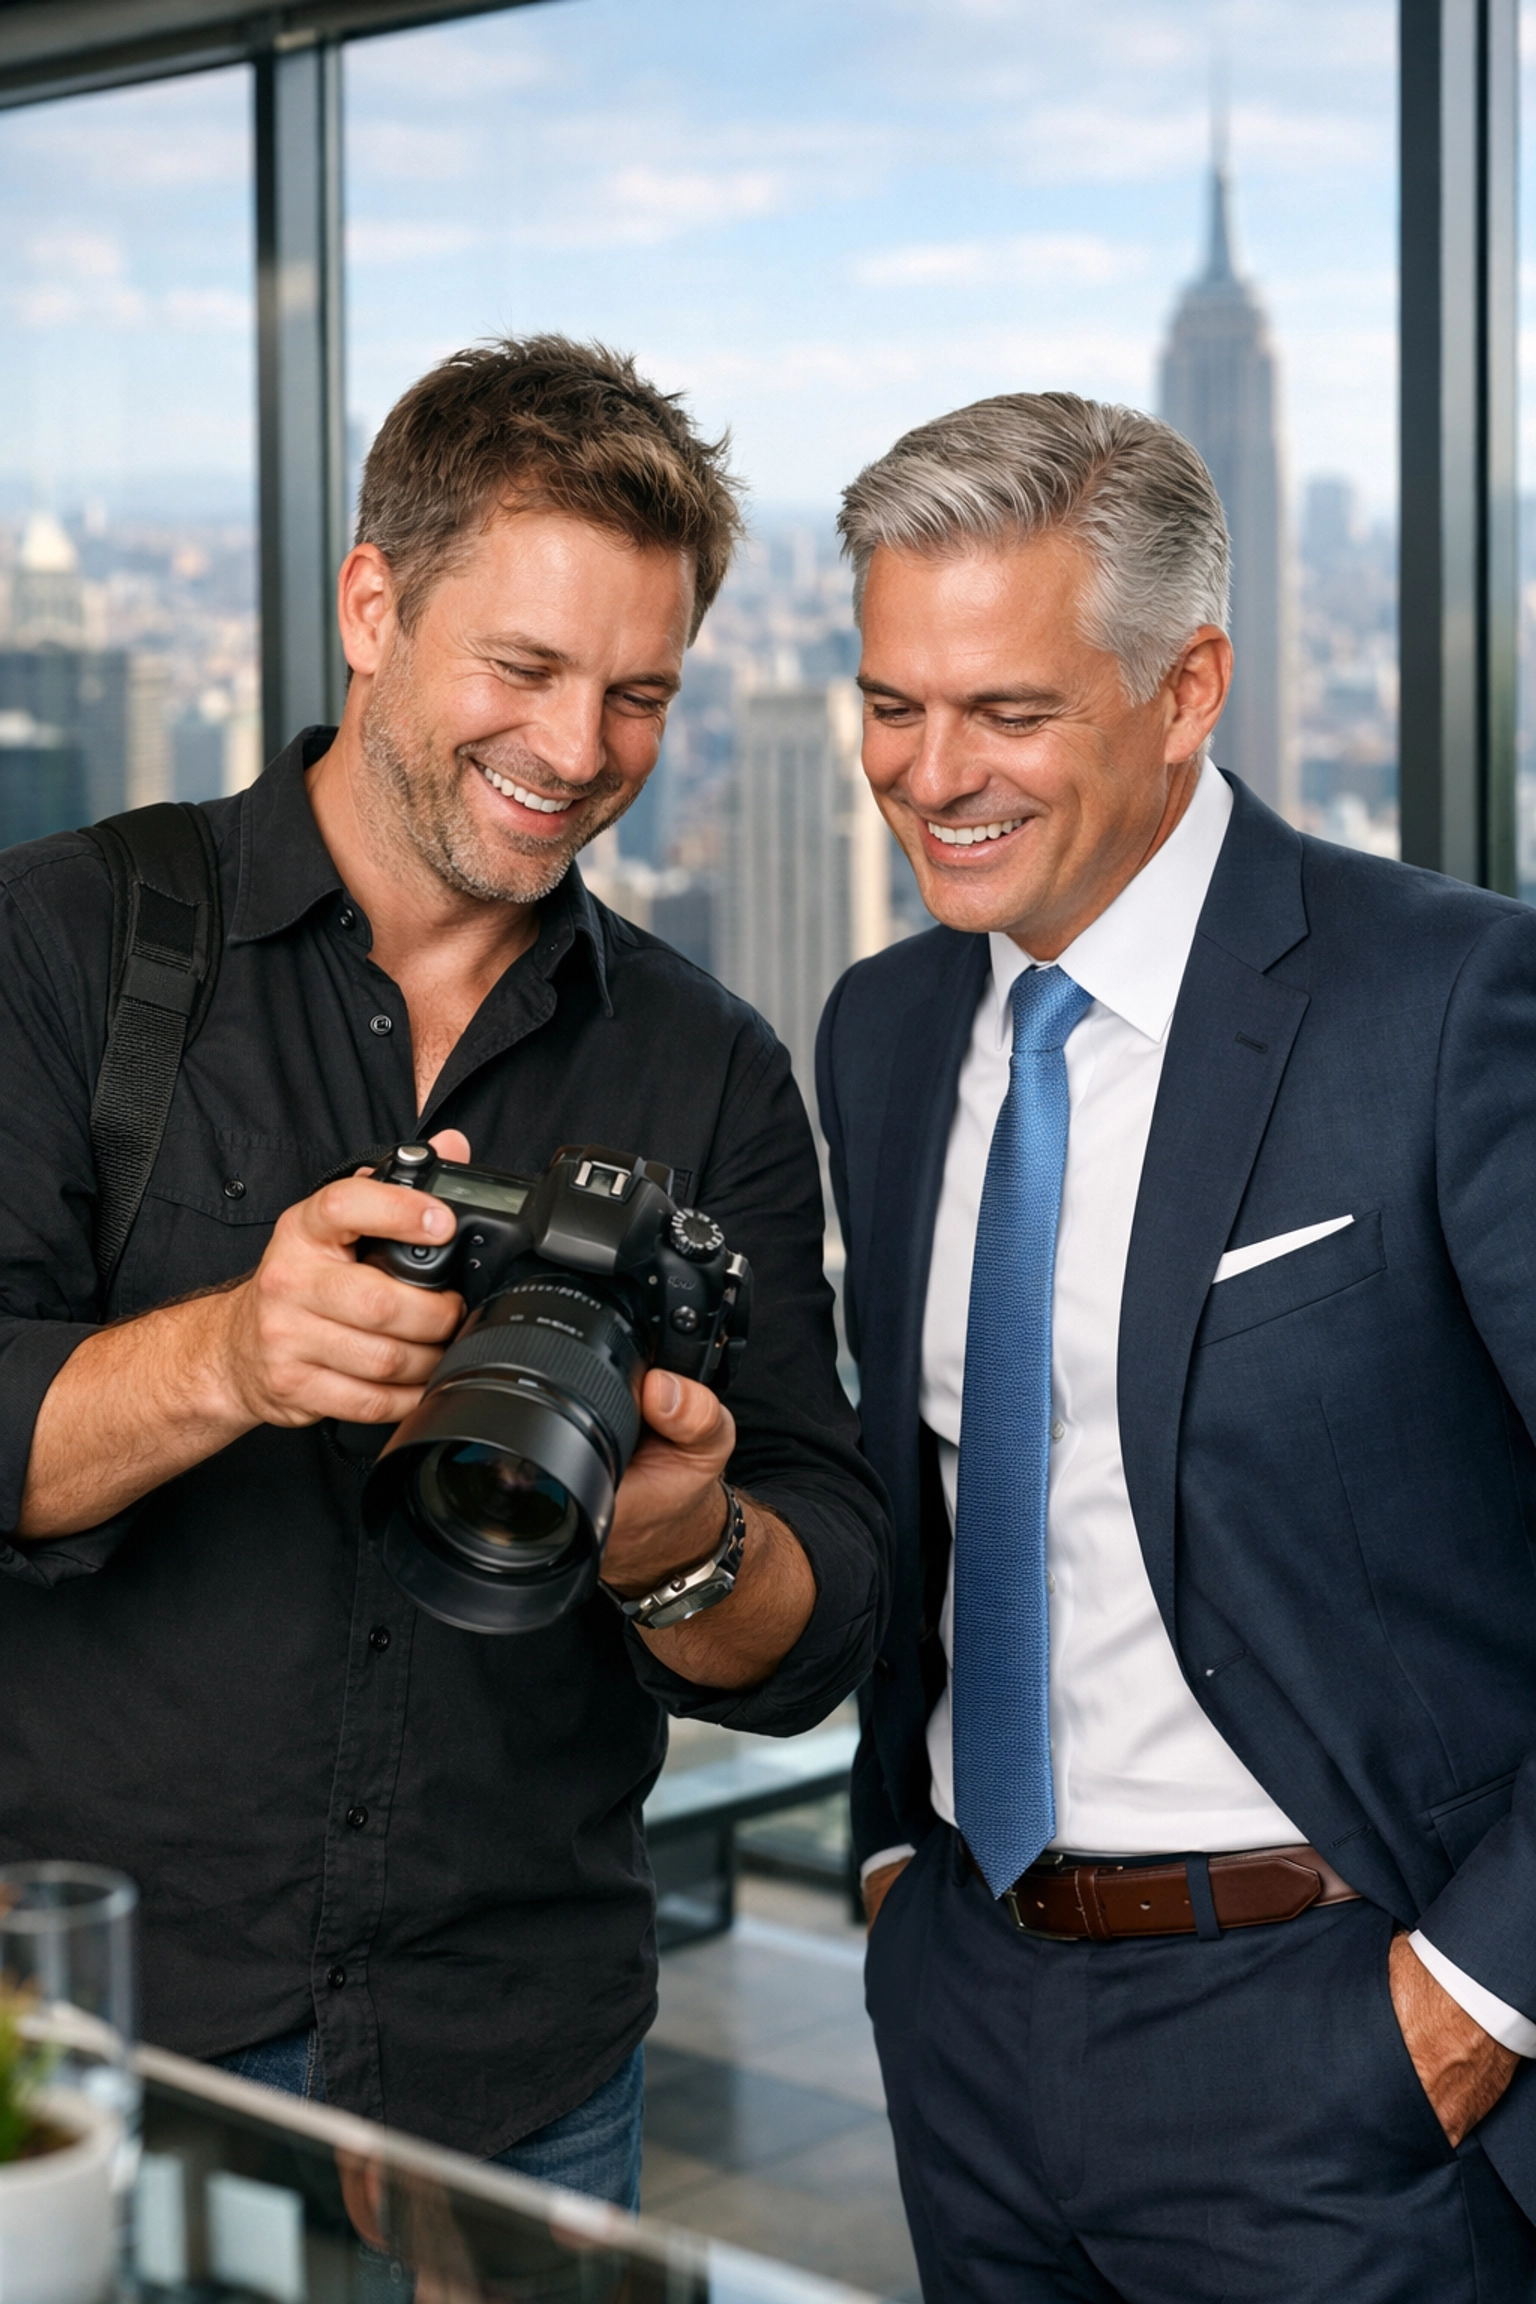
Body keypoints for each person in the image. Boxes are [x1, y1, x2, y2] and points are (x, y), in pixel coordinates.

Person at [0, 335, 887, 2209]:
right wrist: (234, 1355)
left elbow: (821, 1618)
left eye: (641, 694)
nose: (577, 753)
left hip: (523, 2066)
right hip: (95, 2045)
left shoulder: (707, 1062)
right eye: (527, 668)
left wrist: (681, 1544)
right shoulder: (72, 944)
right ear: (372, 604)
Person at [815, 390, 1536, 2300]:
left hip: (1335, 2033)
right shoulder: (884, 1035)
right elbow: (933, 1499)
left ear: (1189, 685)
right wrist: (899, 1871)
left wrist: (1474, 1999)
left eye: (1010, 712)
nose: (931, 772)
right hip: (967, 2009)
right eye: (894, 703)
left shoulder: (1446, 1002)